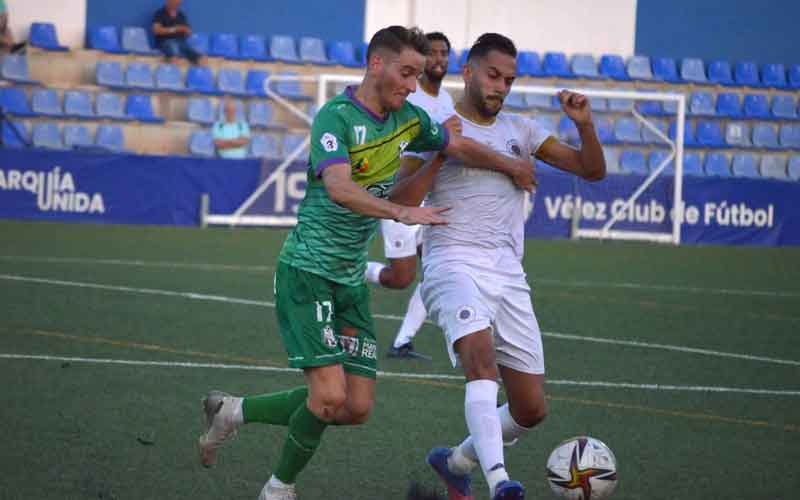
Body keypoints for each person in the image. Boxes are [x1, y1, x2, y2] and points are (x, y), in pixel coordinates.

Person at [197, 26, 537, 500]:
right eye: (405, 73)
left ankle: (234, 411)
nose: (412, 85)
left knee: (355, 407)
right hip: (308, 273)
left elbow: (454, 143)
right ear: (376, 64)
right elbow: (338, 187)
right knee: (329, 396)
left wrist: (512, 165)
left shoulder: (409, 117)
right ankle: (278, 489)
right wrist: (400, 210)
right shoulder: (334, 118)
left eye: (418, 75)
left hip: (349, 282)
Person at [413, 33, 606, 500]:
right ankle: (501, 483)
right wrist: (510, 167)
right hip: (452, 260)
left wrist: (584, 125)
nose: (501, 87)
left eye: (510, 80)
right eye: (493, 76)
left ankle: (456, 462)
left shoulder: (522, 130)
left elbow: (591, 170)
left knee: (531, 409)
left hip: (508, 274)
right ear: (469, 72)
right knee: (480, 362)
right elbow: (450, 153)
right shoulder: (439, 121)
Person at [364, 31, 456, 360]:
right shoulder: (409, 100)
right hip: (403, 199)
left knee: (433, 271)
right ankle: (358, 269)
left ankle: (403, 342)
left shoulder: (446, 101)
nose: (439, 59)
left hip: (428, 202)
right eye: (432, 53)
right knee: (401, 278)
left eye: (444, 53)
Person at [152, 0, 205, 65]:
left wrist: (187, 31)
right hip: (165, 42)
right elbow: (156, 30)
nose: (176, 3)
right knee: (173, 50)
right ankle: (171, 69)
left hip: (181, 42)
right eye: (174, 1)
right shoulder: (159, 13)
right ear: (168, 1)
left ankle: (198, 72)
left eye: (178, 2)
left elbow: (188, 32)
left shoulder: (181, 15)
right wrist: (175, 29)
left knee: (200, 57)